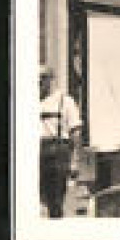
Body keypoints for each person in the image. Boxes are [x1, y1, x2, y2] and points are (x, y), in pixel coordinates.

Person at [38, 67, 83, 218]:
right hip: (36, 152)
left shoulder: (65, 101)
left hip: (57, 153)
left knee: (55, 201)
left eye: (43, 77)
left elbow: (75, 133)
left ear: (52, 79)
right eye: (37, 78)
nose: (39, 81)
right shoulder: (31, 101)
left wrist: (74, 161)